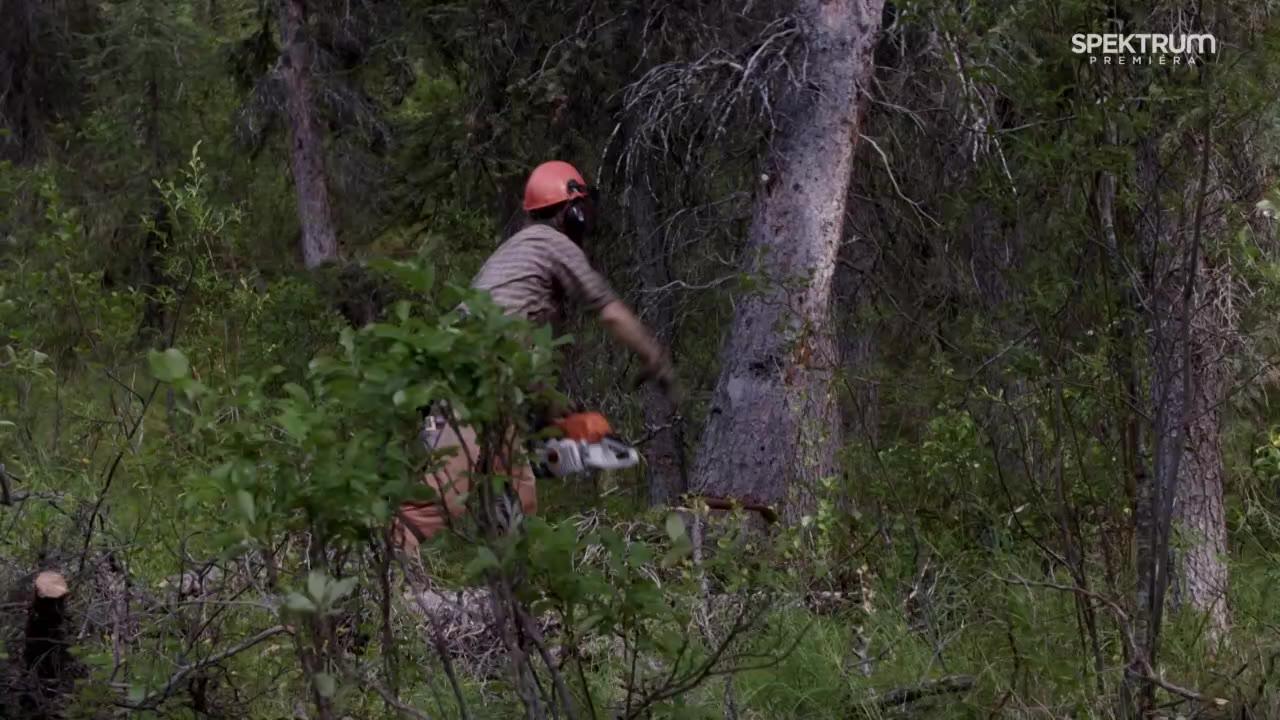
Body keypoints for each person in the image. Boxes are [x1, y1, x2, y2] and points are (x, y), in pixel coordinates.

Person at [393, 160, 675, 553]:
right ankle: (372, 588)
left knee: (516, 494)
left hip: (491, 381)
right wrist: (654, 356)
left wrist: (555, 413)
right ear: (572, 211)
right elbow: (608, 309)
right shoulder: (551, 243)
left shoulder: (520, 258)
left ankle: (514, 597)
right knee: (440, 496)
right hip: (466, 374)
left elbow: (521, 357)